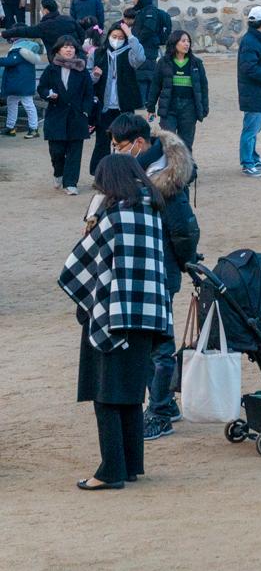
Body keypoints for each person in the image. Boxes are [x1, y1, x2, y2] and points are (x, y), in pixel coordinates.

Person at [58, 153, 171, 490]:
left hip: (113, 313)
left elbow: (78, 266)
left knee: (105, 393)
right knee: (132, 392)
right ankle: (131, 464)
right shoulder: (152, 211)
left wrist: (90, 224)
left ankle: (110, 471)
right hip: (148, 314)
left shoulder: (112, 216)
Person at [107, 114, 199, 440]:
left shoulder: (165, 180)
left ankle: (159, 411)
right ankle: (165, 405)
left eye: (119, 147)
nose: (115, 152)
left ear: (140, 144)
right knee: (149, 343)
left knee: (159, 345)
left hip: (161, 270)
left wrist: (186, 263)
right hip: (145, 270)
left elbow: (185, 229)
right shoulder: (145, 172)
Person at [89, 22, 146, 176]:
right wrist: (94, 76)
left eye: (121, 37)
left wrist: (130, 36)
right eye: (114, 36)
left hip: (124, 105)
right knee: (102, 141)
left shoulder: (129, 53)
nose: (117, 39)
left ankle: (125, 172)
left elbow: (141, 57)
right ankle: (99, 173)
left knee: (126, 140)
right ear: (108, 36)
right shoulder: (98, 53)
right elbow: (87, 80)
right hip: (104, 106)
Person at [38, 36, 93, 195]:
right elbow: (42, 88)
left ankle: (71, 183)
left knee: (75, 152)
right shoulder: (51, 69)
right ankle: (58, 173)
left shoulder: (81, 70)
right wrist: (49, 94)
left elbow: (89, 93)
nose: (69, 50)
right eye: (65, 47)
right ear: (58, 49)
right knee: (57, 151)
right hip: (56, 115)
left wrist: (86, 110)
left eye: (72, 47)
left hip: (77, 116)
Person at [146, 30, 209, 152]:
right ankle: (170, 169)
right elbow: (155, 86)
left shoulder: (196, 63)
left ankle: (189, 170)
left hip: (189, 108)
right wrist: (151, 107)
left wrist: (204, 107)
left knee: (186, 143)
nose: (187, 44)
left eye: (188, 41)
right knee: (168, 142)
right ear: (174, 43)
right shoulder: (163, 62)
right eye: (183, 41)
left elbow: (203, 87)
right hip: (169, 107)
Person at [236, 6, 261, 177]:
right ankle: (247, 162)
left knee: (254, 128)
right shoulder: (251, 41)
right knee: (251, 129)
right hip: (254, 92)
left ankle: (252, 157)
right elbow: (248, 66)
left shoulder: (253, 40)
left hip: (255, 92)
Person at [129, 0, 172, 111]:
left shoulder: (149, 12)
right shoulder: (144, 11)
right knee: (145, 75)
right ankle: (145, 101)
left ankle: (143, 102)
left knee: (144, 76)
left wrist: (135, 41)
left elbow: (148, 29)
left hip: (146, 48)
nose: (133, 0)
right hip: (146, 48)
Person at [2, 0, 81, 47]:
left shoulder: (44, 26)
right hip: (76, 56)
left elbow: (25, 31)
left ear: (46, 11)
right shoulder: (69, 19)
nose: (40, 11)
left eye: (41, 8)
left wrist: (4, 33)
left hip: (58, 60)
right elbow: (81, 34)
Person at [1, 36, 40, 138]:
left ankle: (33, 129)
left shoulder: (19, 50)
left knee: (27, 105)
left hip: (20, 85)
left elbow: (9, 61)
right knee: (13, 102)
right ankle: (10, 127)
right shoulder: (27, 50)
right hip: (21, 84)